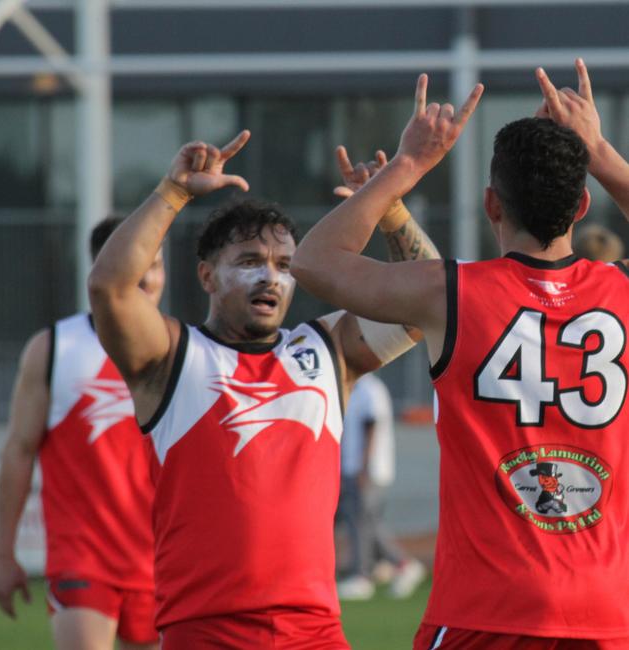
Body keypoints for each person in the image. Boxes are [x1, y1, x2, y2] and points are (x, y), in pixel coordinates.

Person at [291, 58, 629, 648]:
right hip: (606, 609)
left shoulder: (450, 292)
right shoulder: (621, 293)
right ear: (581, 208)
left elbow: (314, 261)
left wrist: (407, 166)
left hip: (486, 608)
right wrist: (598, 150)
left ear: (491, 204)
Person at [87, 131, 439, 649]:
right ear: (207, 276)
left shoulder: (328, 349)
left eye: (283, 266)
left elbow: (425, 300)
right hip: (205, 633)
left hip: (314, 633)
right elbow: (109, 288)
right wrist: (173, 191)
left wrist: (391, 212)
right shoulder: (170, 356)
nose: (270, 278)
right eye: (249, 261)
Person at [0, 216, 164, 650]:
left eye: (156, 265)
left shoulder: (182, 350)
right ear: (102, 273)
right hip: (83, 557)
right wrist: (2, 554)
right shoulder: (54, 348)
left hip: (163, 561)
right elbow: (18, 451)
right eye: (134, 266)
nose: (147, 278)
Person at [336, 372, 427, 600]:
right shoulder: (355, 389)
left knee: (361, 521)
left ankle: (362, 575)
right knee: (366, 521)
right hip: (351, 466)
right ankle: (403, 564)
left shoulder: (369, 389)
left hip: (366, 469)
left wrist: (364, 466)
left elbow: (371, 428)